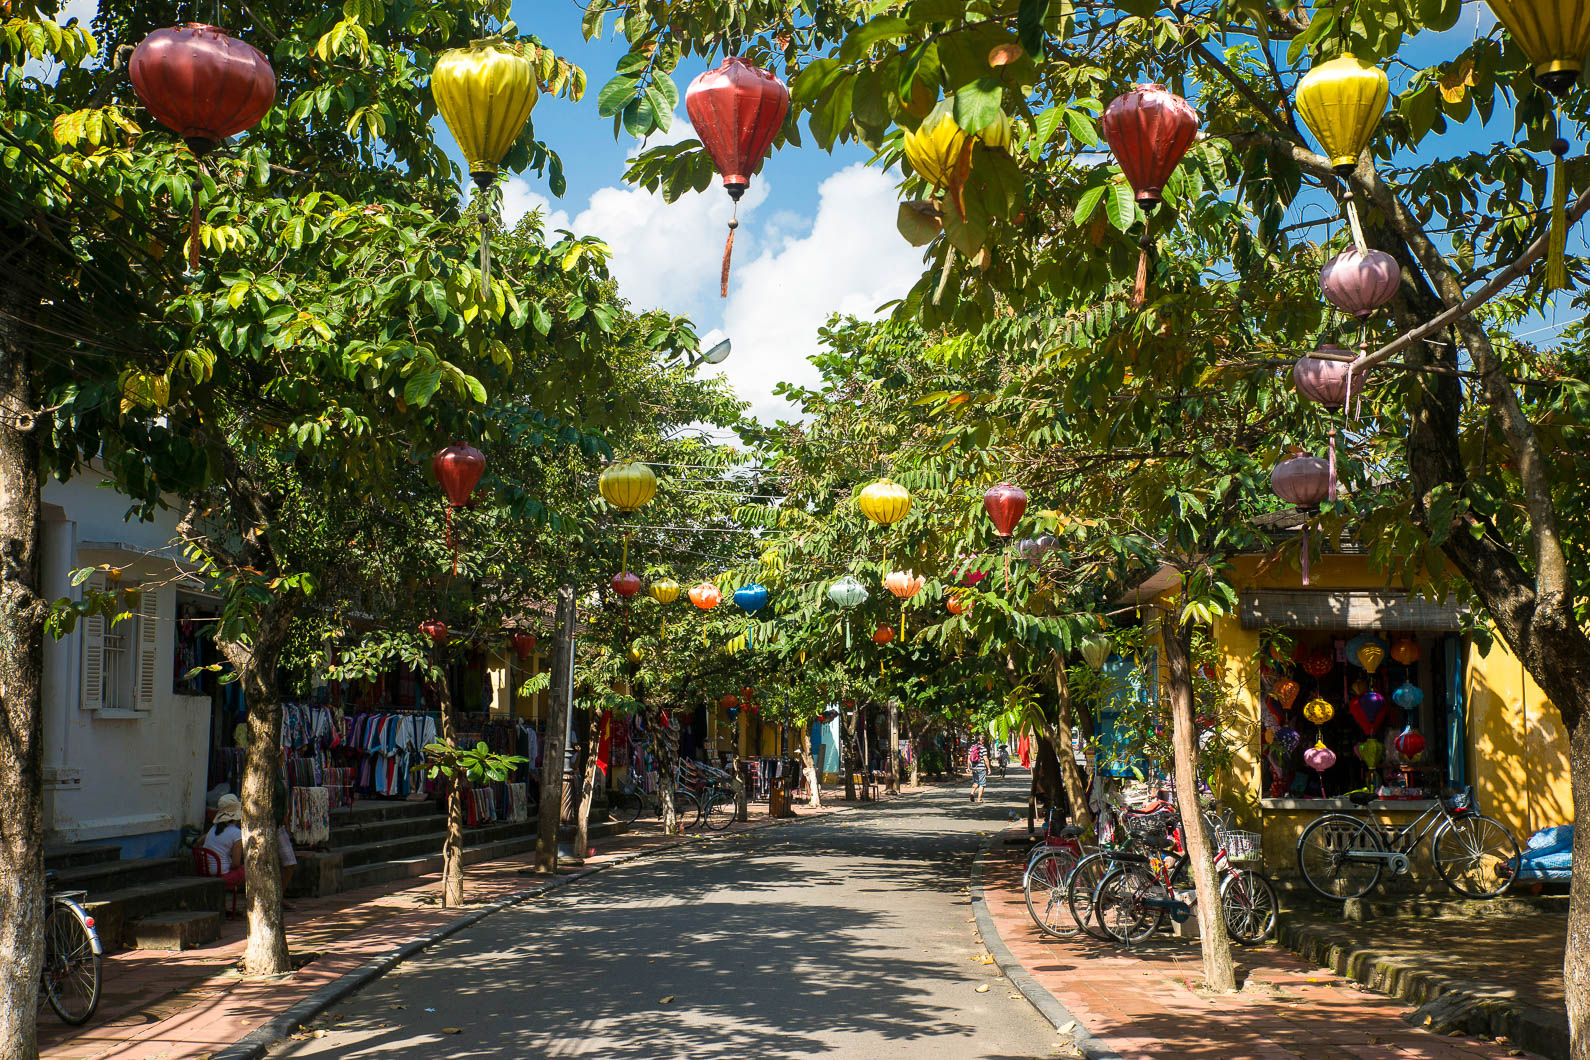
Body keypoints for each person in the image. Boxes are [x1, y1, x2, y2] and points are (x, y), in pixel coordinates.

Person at [199, 794, 245, 887]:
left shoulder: (213, 828)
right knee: (249, 869)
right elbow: (236, 864)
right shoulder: (237, 833)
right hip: (222, 876)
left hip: (206, 872)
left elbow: (199, 841)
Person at [968, 737, 990, 804]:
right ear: (982, 741)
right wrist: (988, 768)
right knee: (982, 784)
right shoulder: (983, 748)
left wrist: (968, 767)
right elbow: (986, 759)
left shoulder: (972, 748)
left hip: (974, 768)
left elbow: (968, 758)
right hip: (981, 768)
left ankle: (972, 792)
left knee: (976, 782)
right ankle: (979, 799)